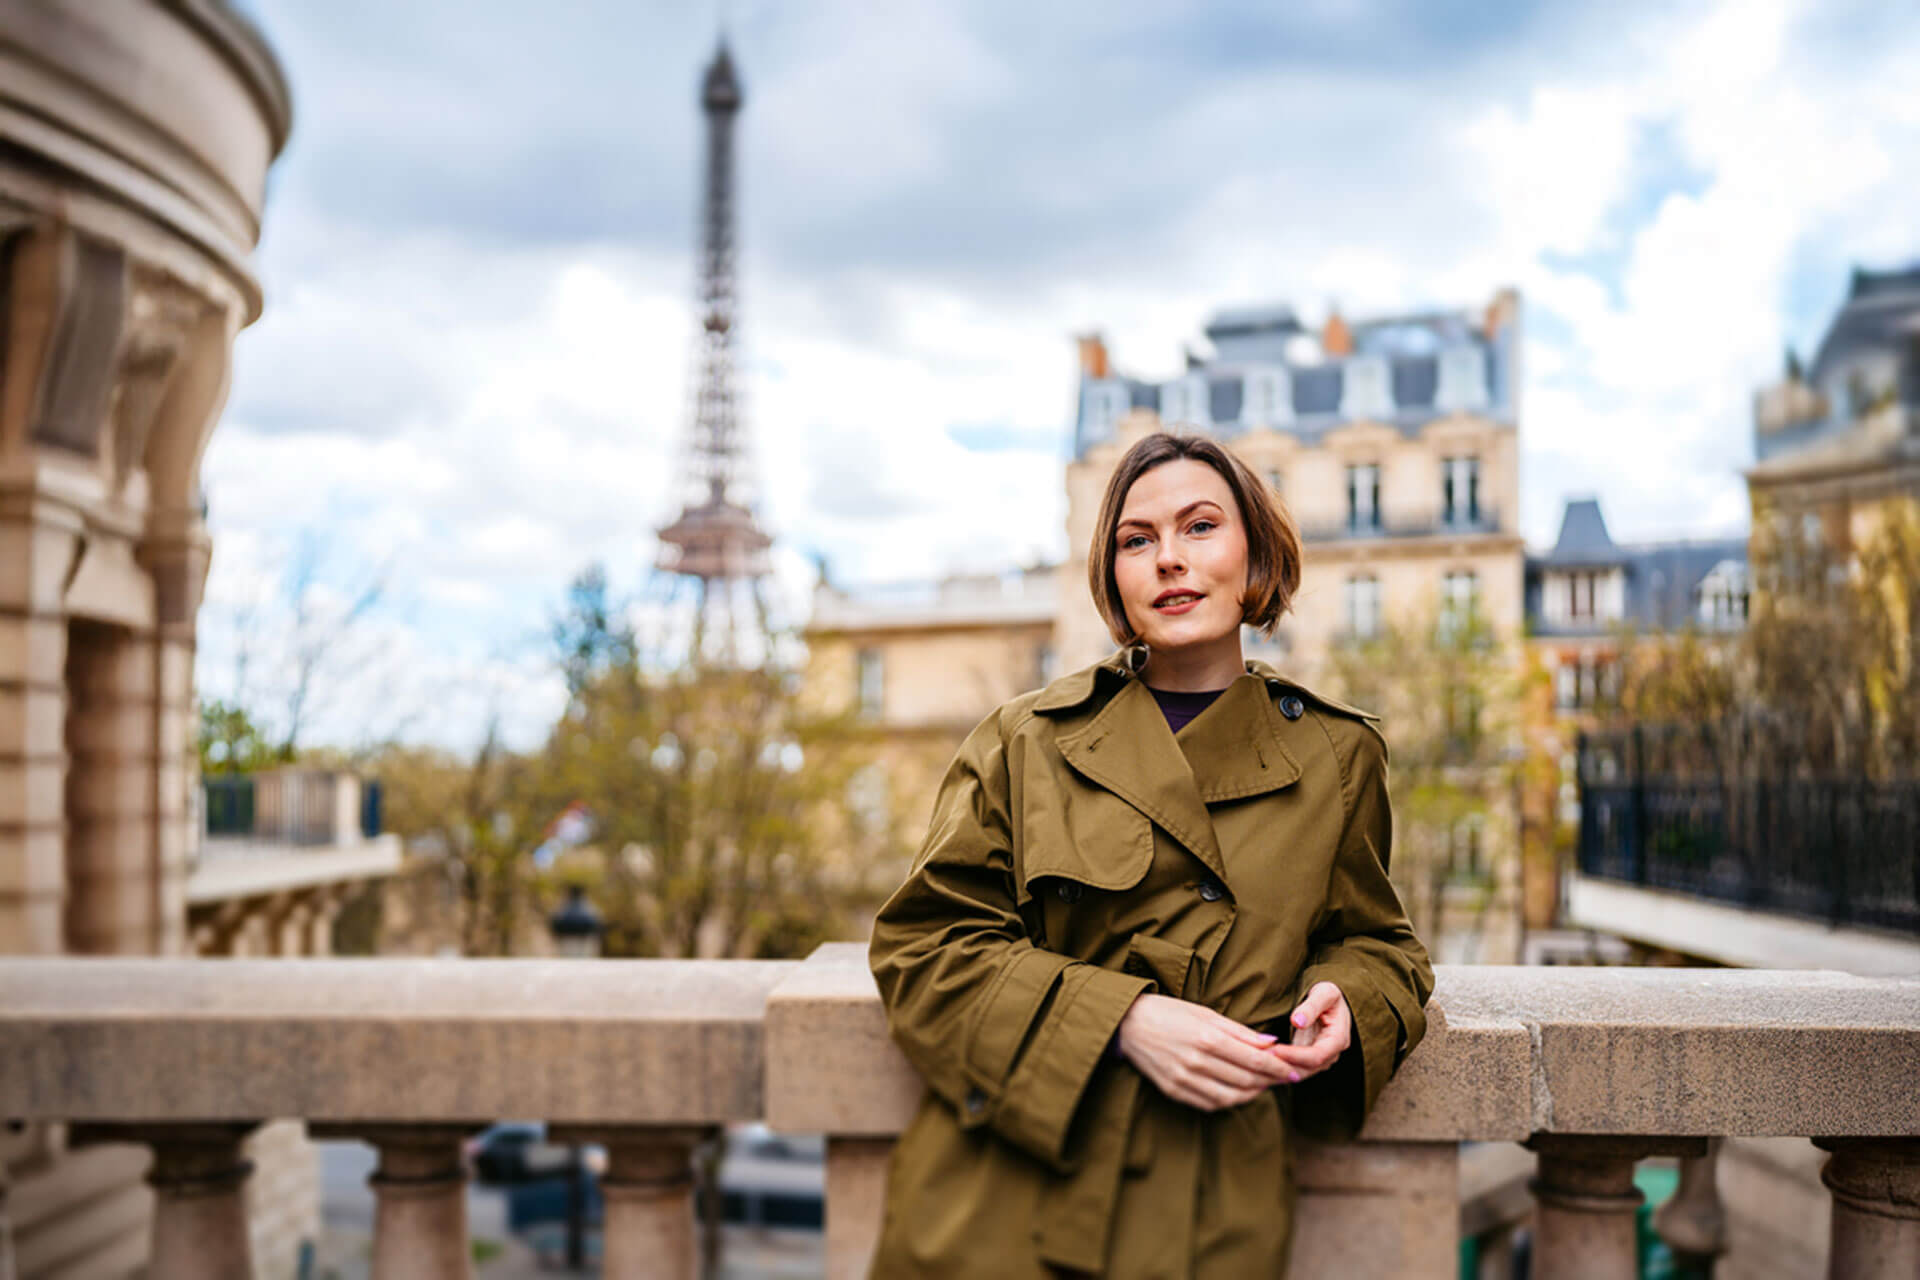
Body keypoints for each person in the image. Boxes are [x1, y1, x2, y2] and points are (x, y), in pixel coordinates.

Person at [866, 431, 1435, 1277]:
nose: (1169, 558)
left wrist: (1348, 1000)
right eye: (1137, 540)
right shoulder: (1024, 740)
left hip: (1213, 1210)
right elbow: (927, 948)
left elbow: (1380, 942)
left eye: (1200, 527)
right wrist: (1123, 1020)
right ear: (1113, 576)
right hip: (1004, 1196)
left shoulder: (1338, 754)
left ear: (1256, 558)